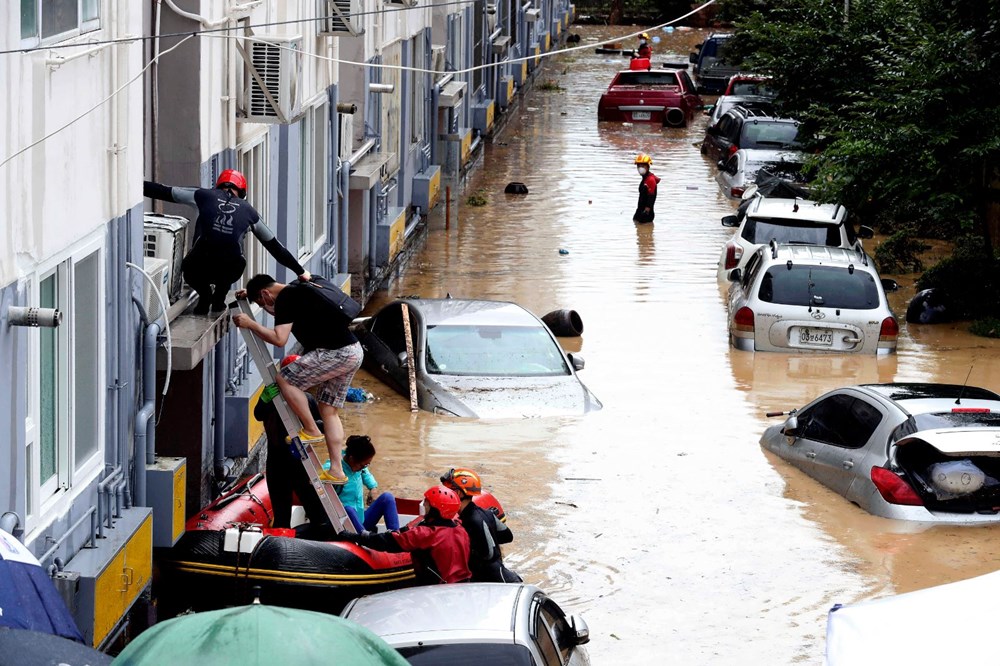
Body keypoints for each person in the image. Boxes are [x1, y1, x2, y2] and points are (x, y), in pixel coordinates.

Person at [233, 273, 364, 484]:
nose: (266, 308)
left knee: (285, 379)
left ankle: (311, 429)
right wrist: (251, 294)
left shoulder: (285, 300)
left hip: (336, 353)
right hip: (353, 350)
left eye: (262, 302)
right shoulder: (299, 287)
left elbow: (279, 339)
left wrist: (250, 324)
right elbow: (268, 294)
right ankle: (337, 471)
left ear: (266, 293)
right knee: (328, 409)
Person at [143, 170, 311, 314]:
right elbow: (275, 247)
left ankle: (205, 294)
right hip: (230, 268)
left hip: (198, 265)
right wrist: (300, 271)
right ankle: (219, 298)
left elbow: (163, 191)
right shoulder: (250, 213)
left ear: (217, 186)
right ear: (242, 192)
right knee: (234, 255)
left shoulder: (203, 195)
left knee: (191, 263)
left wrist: (135, 185)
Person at [331, 486, 472, 585]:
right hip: (463, 584)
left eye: (427, 505)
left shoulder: (426, 534)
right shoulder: (461, 529)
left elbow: (388, 542)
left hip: (437, 588)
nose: (424, 507)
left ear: (435, 510)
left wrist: (355, 536)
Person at [253, 355, 331, 532]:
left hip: (301, 463)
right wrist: (264, 399)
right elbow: (258, 414)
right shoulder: (272, 397)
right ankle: (284, 546)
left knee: (314, 509)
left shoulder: (307, 400)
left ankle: (315, 541)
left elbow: (321, 426)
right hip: (277, 463)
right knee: (281, 513)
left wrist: (310, 425)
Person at [441, 468, 522, 583]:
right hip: (502, 577)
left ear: (458, 493)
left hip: (495, 583)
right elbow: (507, 536)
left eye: (447, 492)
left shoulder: (470, 521)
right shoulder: (486, 513)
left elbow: (489, 555)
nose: (444, 496)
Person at [327, 435, 400, 534]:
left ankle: (395, 536)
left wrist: (373, 489)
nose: (364, 467)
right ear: (351, 458)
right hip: (344, 526)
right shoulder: (333, 469)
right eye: (362, 465)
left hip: (361, 521)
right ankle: (365, 540)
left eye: (367, 464)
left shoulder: (359, 467)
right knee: (348, 509)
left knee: (387, 497)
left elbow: (366, 473)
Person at [633, 153, 661, 224]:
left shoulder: (650, 180)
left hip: (646, 213)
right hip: (640, 210)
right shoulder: (645, 179)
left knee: (644, 232)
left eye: (642, 165)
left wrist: (646, 212)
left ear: (648, 166)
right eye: (638, 166)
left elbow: (651, 197)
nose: (640, 168)